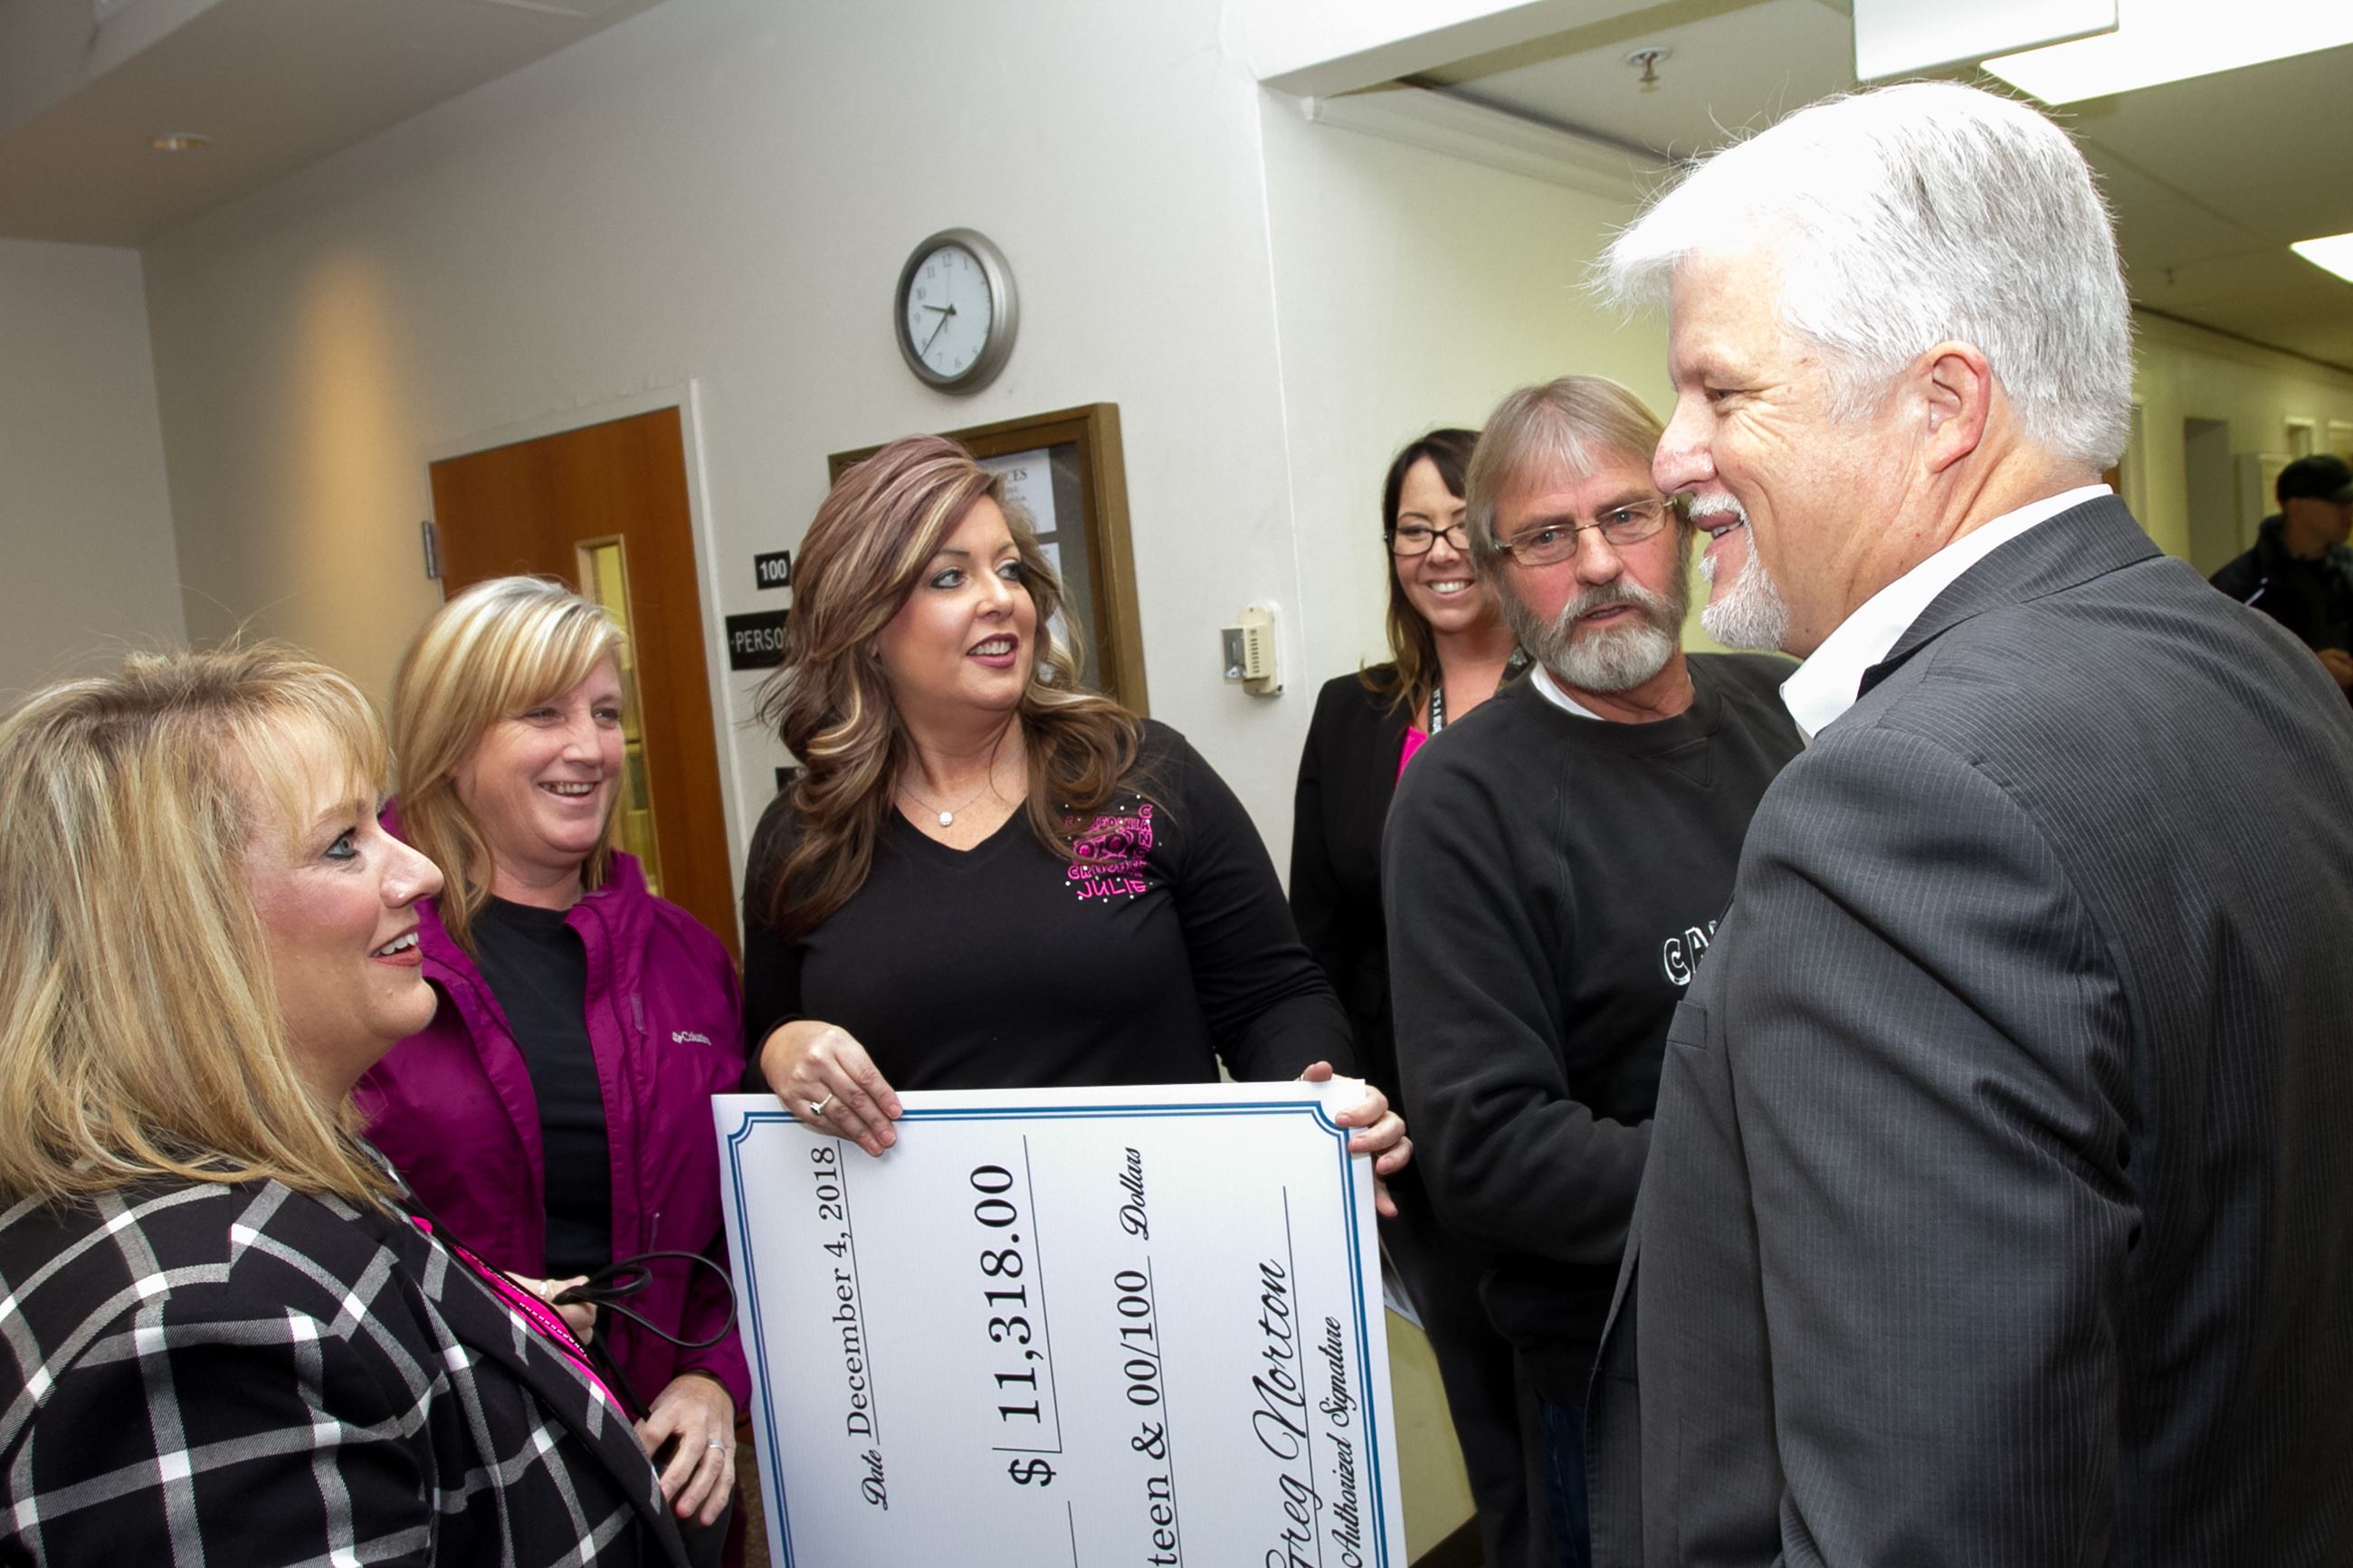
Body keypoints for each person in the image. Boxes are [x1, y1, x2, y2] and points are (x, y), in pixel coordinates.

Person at [1586, 81, 2353, 1565]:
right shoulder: (2256, 665)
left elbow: (1935, 1523)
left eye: (1721, 393)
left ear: (1941, 407)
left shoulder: (1903, 803)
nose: (1671, 457)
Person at [0, 646, 691, 1567]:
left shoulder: (273, 1171)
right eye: (342, 844)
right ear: (186, 930)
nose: (420, 874)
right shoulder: (200, 1319)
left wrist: (474, 1321)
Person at [739, 434, 1407, 1193]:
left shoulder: (1145, 773)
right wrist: (780, 1050)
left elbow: (1274, 998)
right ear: (864, 627)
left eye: (1009, 569)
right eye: (950, 576)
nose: (1000, 598)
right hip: (926, 1253)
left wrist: (1317, 1109)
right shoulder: (802, 837)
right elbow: (762, 1061)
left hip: (1155, 1232)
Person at [1383, 378, 1801, 1568]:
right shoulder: (1461, 801)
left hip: (1832, 1326)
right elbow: (1493, 1148)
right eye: (1547, 537)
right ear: (1497, 572)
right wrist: (1801, 1167)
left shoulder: (1782, 711)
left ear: (1681, 523)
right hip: (1632, 1378)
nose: (1600, 563)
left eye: (1625, 515)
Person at [358, 577, 748, 1561]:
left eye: (605, 714)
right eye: (543, 713)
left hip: (664, 1490)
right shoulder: (363, 958)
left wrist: (715, 1377)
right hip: (453, 1482)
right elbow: (317, 1214)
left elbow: (743, 1222)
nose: (588, 746)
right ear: (452, 742)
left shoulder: (686, 958)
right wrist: (476, 1300)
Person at [1291, 426, 1535, 1567]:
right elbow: (1313, 936)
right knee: (1485, 1416)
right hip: (1413, 1137)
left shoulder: (1567, 692)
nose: (1438, 551)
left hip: (1554, 1120)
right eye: (1410, 529)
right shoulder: (1351, 713)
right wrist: (1339, 1104)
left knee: (1588, 1405)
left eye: (1457, 523)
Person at [2210, 451, 2353, 693]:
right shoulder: (2241, 587)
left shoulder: (2347, 571)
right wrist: (2305, 671)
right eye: (2339, 503)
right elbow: (2219, 667)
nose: (2349, 512)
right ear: (2298, 506)